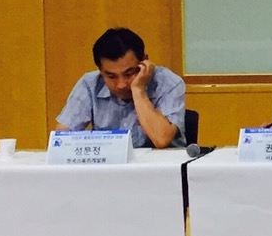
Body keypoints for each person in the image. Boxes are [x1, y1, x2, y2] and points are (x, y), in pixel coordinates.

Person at [56, 27, 185, 148]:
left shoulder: (169, 82)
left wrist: (138, 90)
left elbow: (161, 139)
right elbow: (61, 140)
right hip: (110, 164)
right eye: (111, 76)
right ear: (100, 70)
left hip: (161, 164)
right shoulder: (89, 84)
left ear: (145, 61)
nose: (121, 84)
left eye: (129, 74)